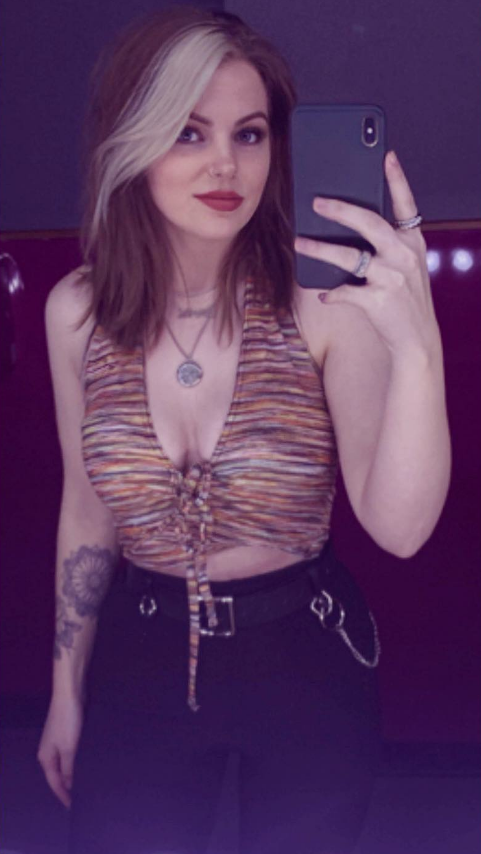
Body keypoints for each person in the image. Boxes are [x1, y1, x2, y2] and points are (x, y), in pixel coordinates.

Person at [37, 6, 451, 854]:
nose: (226, 163)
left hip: (303, 655)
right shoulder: (77, 313)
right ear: (133, 140)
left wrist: (418, 346)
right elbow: (86, 513)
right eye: (188, 132)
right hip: (142, 656)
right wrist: (65, 692)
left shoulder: (322, 305)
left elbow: (400, 528)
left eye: (250, 133)